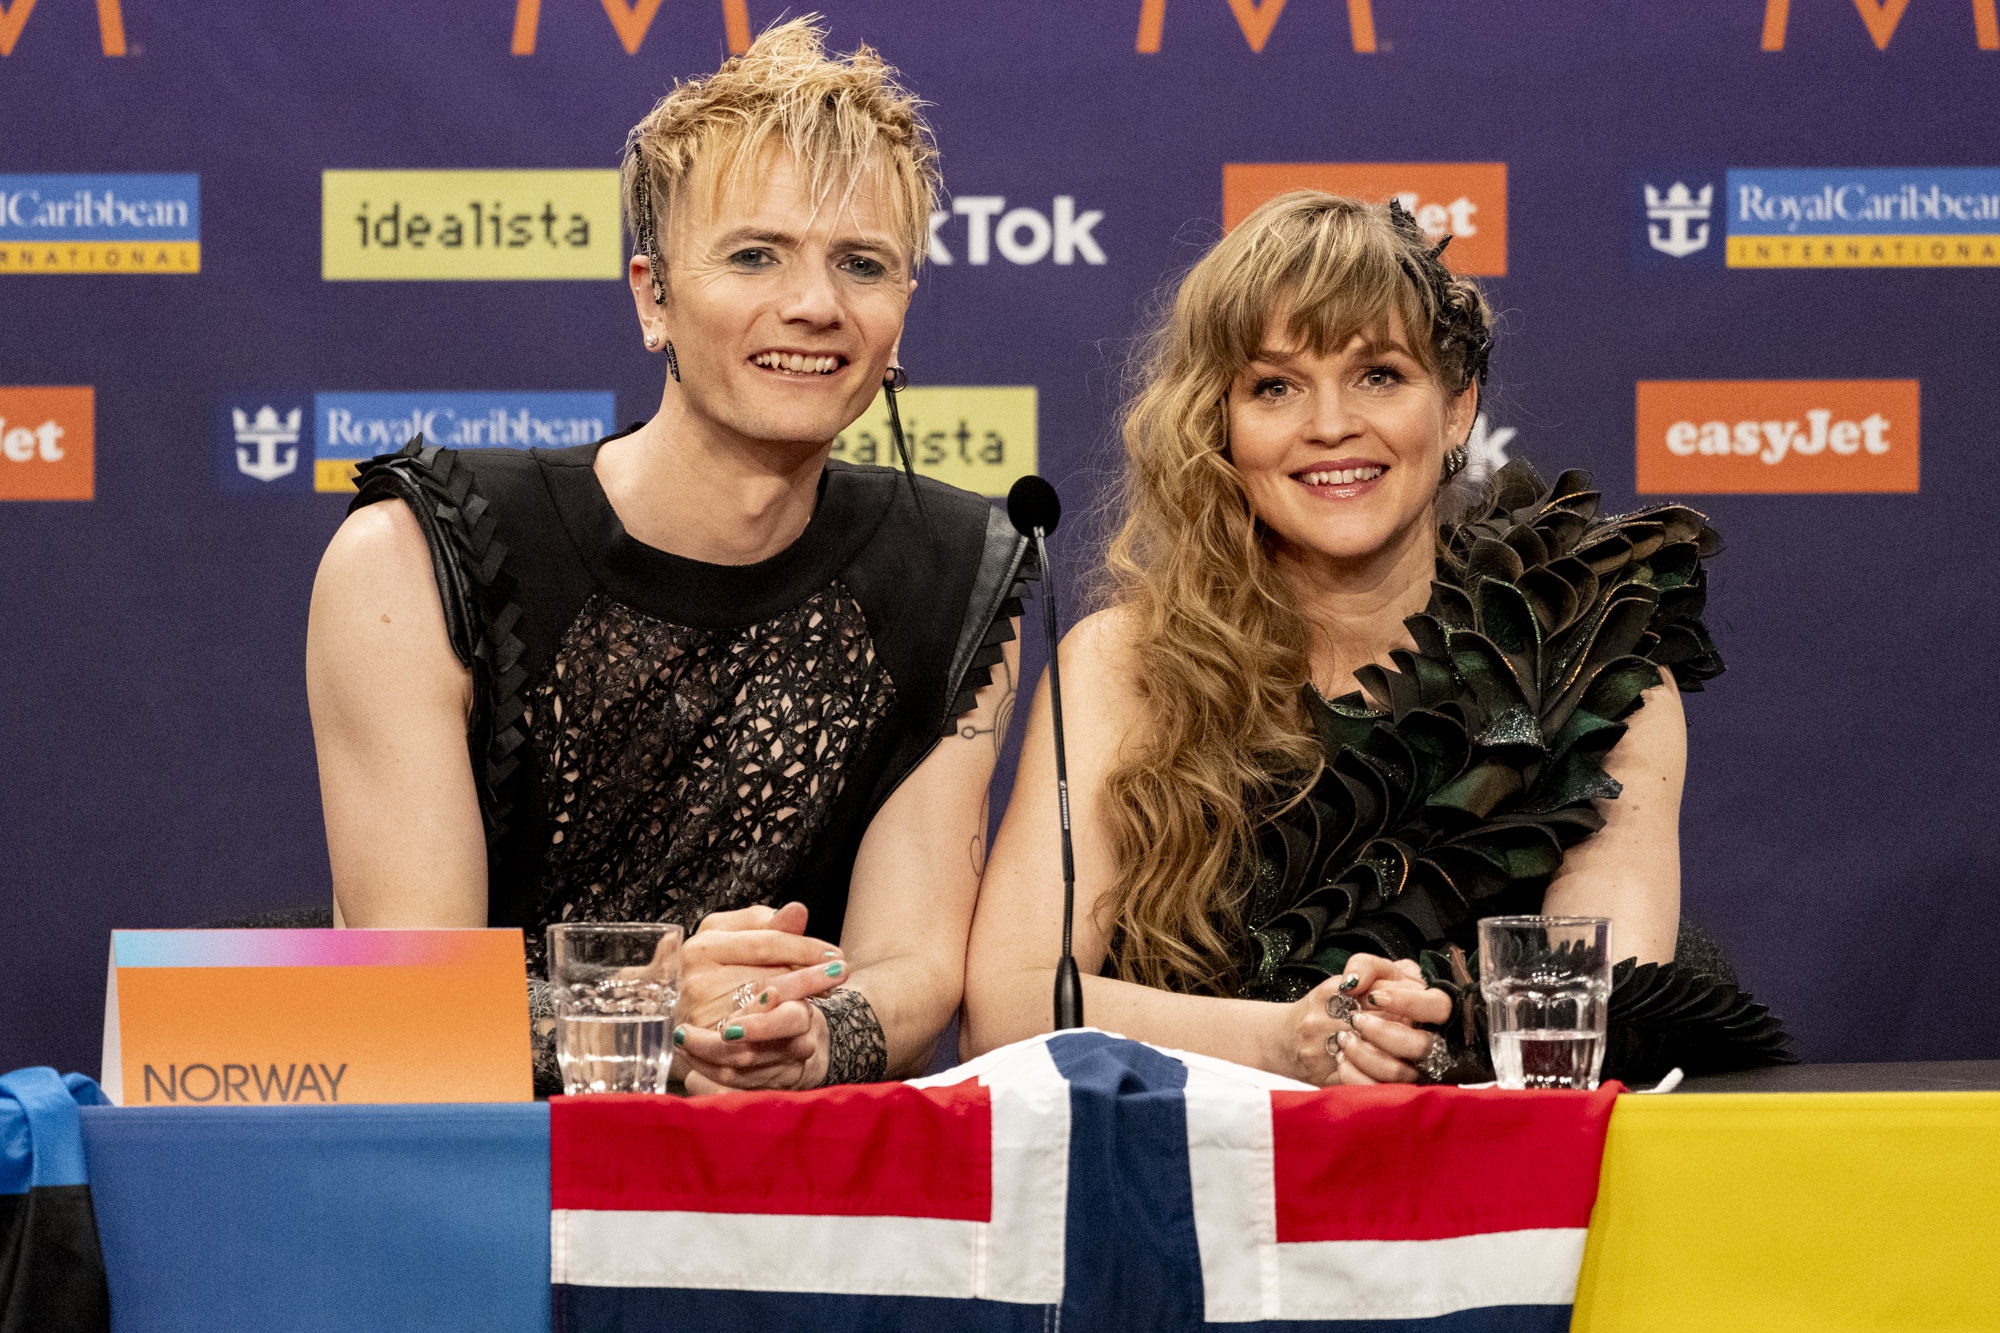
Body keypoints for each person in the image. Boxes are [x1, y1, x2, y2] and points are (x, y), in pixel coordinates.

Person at [306, 19, 1032, 1095]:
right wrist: (649, 1008)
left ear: (901, 311)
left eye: (861, 264)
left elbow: (914, 963)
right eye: (754, 255)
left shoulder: (957, 571)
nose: (814, 305)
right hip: (483, 1168)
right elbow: (412, 1002)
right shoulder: (416, 556)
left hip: (784, 1162)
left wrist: (807, 1036)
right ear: (652, 297)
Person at [963, 192, 1790, 1085]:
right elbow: (1009, 1005)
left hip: (1496, 1164)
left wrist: (1434, 1034)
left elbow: (1587, 1007)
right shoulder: (1122, 665)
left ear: (1458, 408)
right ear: (1220, 423)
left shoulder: (1588, 659)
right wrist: (1282, 1040)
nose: (1329, 425)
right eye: (1275, 386)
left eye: (1379, 376)